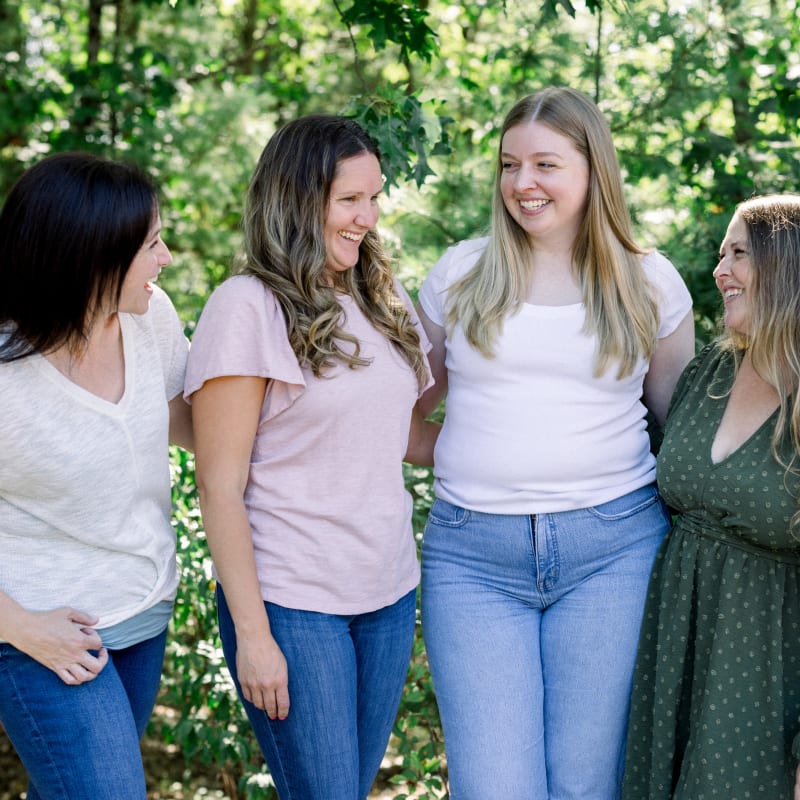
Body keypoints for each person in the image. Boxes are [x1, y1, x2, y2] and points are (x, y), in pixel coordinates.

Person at [415, 86, 695, 799]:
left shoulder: (648, 282)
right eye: (509, 166)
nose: (522, 184)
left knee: (587, 784)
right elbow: (394, 410)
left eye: (545, 164)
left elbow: (683, 430)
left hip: (616, 551)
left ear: (592, 170)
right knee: (493, 787)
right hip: (473, 558)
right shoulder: (461, 274)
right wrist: (454, 453)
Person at [184, 114, 438, 800]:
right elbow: (219, 485)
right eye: (349, 200)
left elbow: (405, 439)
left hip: (385, 591)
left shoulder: (381, 299)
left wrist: (513, 448)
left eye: (375, 197)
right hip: (293, 601)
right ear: (299, 200)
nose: (368, 217)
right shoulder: (247, 306)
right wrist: (255, 635)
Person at [0, 151, 192, 799]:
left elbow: (190, 424)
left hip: (142, 609)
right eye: (152, 243)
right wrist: (23, 629)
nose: (165, 258)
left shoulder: (149, 318)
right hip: (36, 630)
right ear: (91, 256)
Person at [622, 194, 800, 799]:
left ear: (788, 266)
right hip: (673, 658)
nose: (720, 270)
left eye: (739, 253)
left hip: (764, 678)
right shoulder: (705, 376)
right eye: (722, 254)